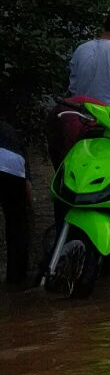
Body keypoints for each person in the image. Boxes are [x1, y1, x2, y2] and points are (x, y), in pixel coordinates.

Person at [0, 119, 32, 289]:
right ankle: (17, 278)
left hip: (11, 166)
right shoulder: (9, 129)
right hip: (12, 170)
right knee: (17, 223)